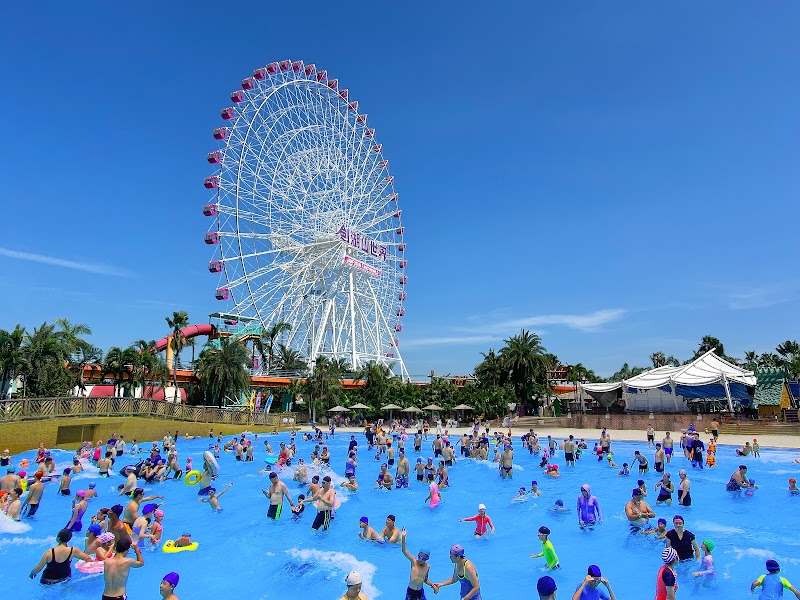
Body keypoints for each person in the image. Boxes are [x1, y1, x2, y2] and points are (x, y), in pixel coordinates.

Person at [28, 529, 93, 584]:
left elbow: (39, 567)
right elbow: (88, 558)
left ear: (58, 538)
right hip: (64, 579)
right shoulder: (73, 550)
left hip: (47, 580)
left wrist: (32, 574)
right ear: (69, 539)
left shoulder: (49, 553)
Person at [400, 529, 434, 600]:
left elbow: (425, 579)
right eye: (419, 556)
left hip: (420, 592)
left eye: (423, 558)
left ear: (427, 558)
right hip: (411, 592)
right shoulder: (414, 561)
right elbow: (404, 550)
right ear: (418, 555)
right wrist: (403, 537)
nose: (421, 559)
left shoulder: (427, 567)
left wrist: (432, 585)